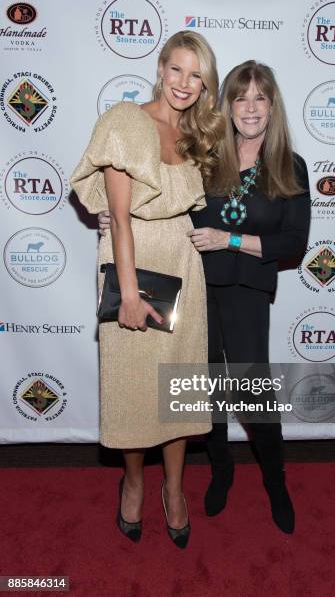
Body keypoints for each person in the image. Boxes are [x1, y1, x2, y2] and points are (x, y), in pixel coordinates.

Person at [99, 60, 310, 534]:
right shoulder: (207, 154)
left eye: (259, 98)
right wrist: (116, 215)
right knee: (203, 389)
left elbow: (293, 244)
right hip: (194, 282)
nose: (250, 108)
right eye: (240, 97)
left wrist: (231, 240)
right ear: (227, 105)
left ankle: (276, 482)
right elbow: (166, 200)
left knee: (253, 395)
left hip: (247, 290)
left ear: (272, 106)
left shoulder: (289, 165)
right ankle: (222, 471)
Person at [71, 30, 224, 549]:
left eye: (196, 74)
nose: (184, 83)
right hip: (131, 268)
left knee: (178, 392)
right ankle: (134, 481)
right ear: (160, 68)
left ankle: (175, 489)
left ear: (205, 84)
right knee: (134, 390)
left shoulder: (194, 137)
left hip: (183, 265)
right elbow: (118, 217)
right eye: (177, 69)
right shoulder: (125, 122)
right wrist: (130, 295)